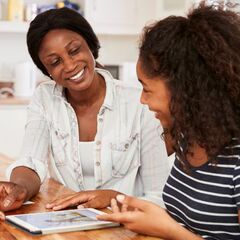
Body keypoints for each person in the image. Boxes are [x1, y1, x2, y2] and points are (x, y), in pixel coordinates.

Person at [0, 7, 170, 219]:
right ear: (47, 71)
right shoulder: (45, 98)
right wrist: (19, 188)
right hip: (69, 225)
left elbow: (159, 197)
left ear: (90, 44)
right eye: (55, 62)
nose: (70, 65)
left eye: (74, 50)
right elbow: (31, 162)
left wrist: (113, 198)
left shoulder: (139, 101)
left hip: (128, 227)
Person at [97, 1, 240, 239]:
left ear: (183, 89)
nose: (142, 100)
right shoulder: (187, 137)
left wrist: (169, 230)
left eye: (147, 89)